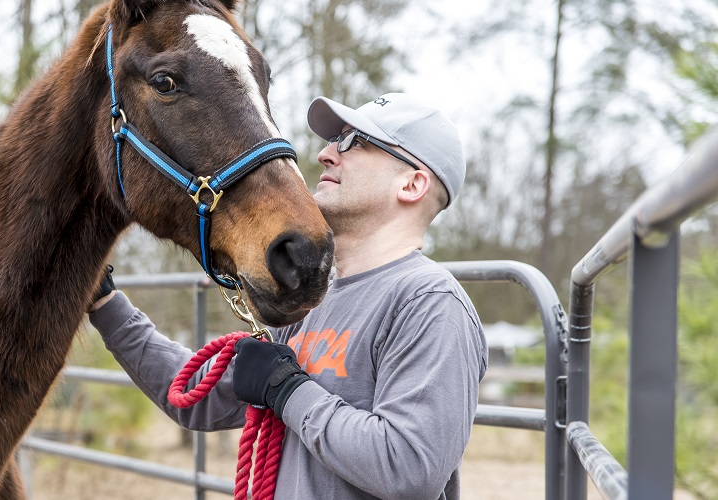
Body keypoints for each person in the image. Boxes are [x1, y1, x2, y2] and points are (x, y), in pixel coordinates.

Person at [89, 93, 488, 499]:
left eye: (354, 142)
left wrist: (288, 391)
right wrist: (105, 304)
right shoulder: (311, 302)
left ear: (412, 183)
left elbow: (407, 468)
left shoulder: (431, 305)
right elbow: (195, 398)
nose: (326, 154)